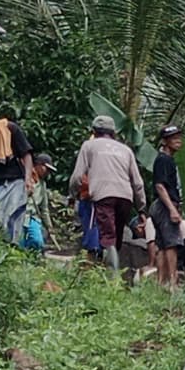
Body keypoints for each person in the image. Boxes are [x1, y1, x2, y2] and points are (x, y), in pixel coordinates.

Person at [73, 114, 139, 274]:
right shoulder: (126, 150)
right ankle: (110, 275)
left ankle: (113, 278)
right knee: (116, 237)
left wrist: (73, 192)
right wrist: (142, 208)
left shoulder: (89, 146)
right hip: (125, 197)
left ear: (94, 131)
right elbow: (138, 182)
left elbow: (77, 176)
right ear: (113, 133)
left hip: (104, 196)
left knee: (107, 239)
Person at [143, 123, 185, 285]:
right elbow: (159, 186)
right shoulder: (164, 160)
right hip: (165, 205)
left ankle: (160, 283)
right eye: (173, 138)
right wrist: (172, 209)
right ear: (165, 141)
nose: (178, 140)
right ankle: (172, 282)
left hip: (161, 205)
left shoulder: (167, 159)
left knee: (163, 245)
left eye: (179, 137)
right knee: (172, 244)